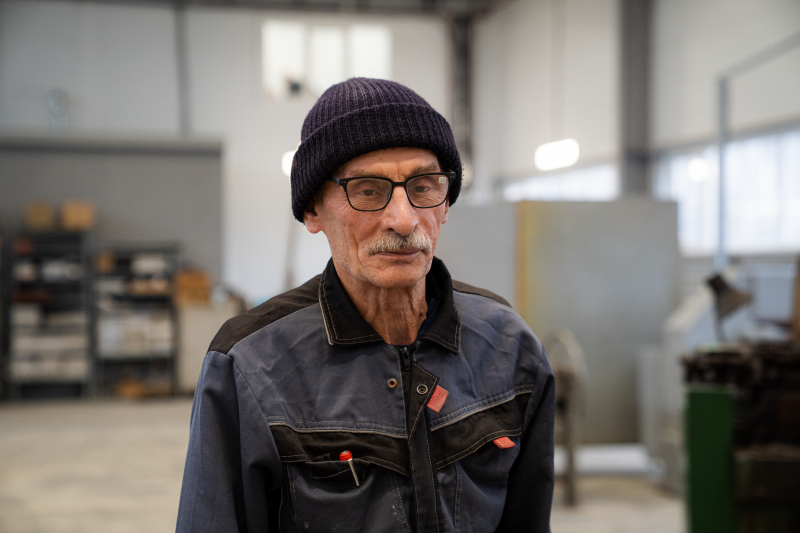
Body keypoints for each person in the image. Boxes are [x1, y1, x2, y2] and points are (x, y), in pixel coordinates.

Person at [176, 78, 555, 533]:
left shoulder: (508, 346)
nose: (404, 220)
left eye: (424, 186)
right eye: (368, 190)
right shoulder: (250, 365)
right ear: (313, 210)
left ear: (446, 204)